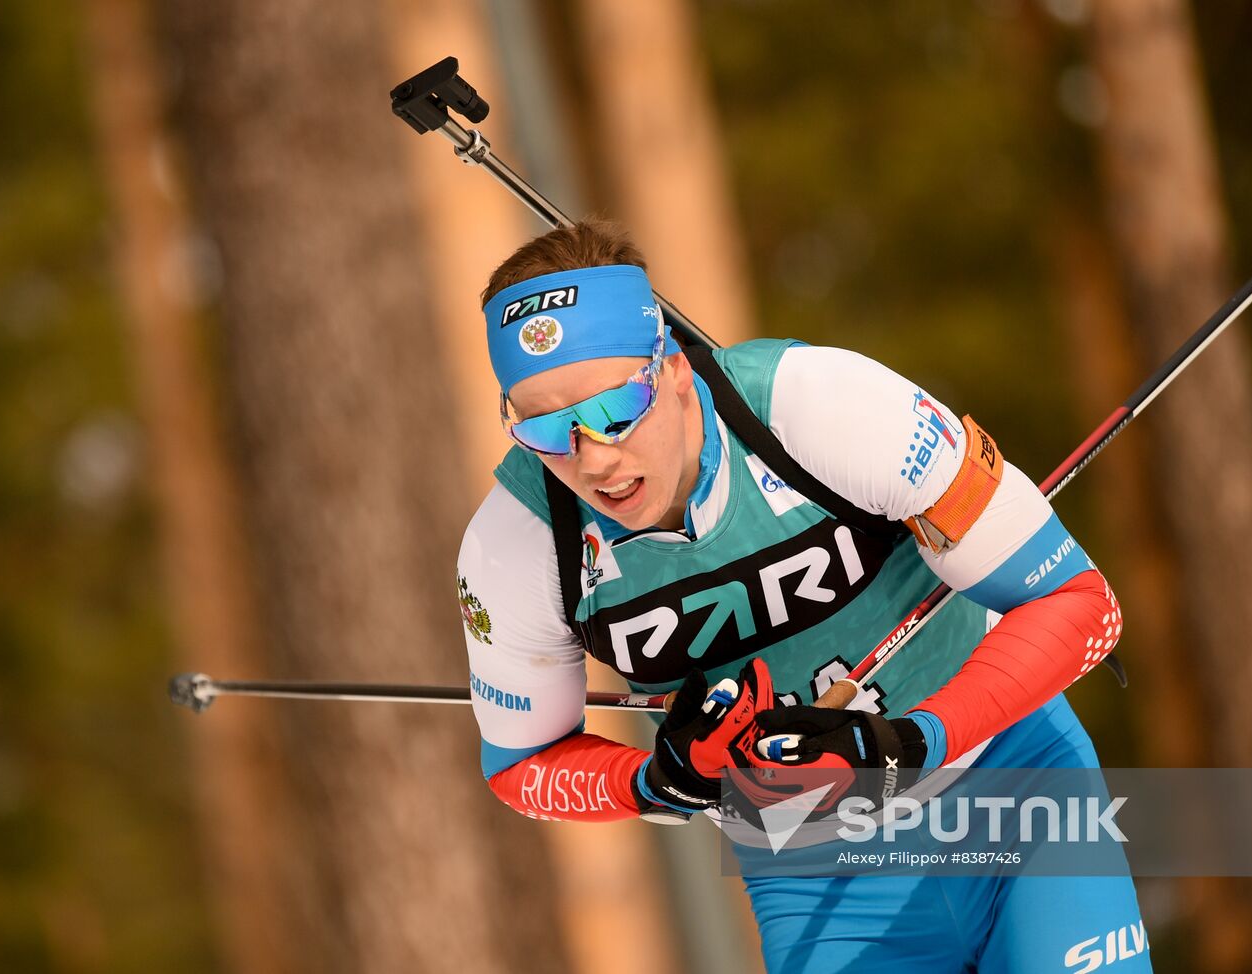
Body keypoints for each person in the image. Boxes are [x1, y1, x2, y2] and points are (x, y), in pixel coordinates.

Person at [457, 219, 1150, 973]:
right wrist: (660, 781)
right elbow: (521, 769)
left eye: (612, 409)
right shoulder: (517, 542)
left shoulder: (820, 406)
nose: (594, 456)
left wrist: (910, 744)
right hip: (817, 872)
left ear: (675, 370)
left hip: (1013, 788)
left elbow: (1082, 606)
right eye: (549, 430)